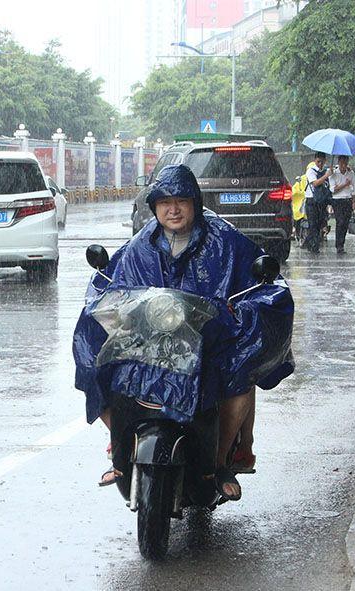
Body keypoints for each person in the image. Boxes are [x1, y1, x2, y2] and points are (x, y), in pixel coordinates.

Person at [74, 164, 294, 501]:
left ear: (195, 202)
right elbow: (112, 285)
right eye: (165, 202)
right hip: (147, 344)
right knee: (96, 365)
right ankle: (120, 442)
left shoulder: (225, 240)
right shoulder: (140, 246)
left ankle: (219, 460)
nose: (173, 210)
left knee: (240, 373)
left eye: (181, 201)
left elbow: (265, 283)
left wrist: (242, 310)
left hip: (208, 343)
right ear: (154, 207)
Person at [302, 152, 333, 253]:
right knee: (313, 224)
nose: (320, 164)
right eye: (318, 161)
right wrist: (326, 176)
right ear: (315, 160)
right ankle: (314, 246)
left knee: (320, 224)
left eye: (322, 162)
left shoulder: (326, 170)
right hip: (311, 201)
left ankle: (309, 242)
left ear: (325, 161)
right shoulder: (311, 170)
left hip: (322, 201)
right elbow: (315, 183)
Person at [329, 155, 355, 254]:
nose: (344, 165)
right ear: (338, 162)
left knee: (345, 223)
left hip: (347, 199)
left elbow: (353, 188)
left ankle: (342, 244)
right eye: (342, 163)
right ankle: (338, 245)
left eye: (345, 163)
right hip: (337, 200)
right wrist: (345, 185)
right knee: (340, 222)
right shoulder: (333, 173)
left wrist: (354, 201)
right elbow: (333, 189)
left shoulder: (350, 173)